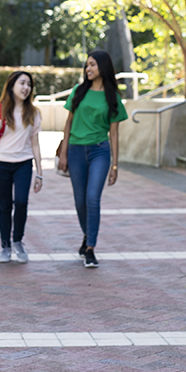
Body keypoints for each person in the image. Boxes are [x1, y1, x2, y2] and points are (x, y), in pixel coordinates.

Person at [56, 50, 128, 269]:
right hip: (76, 151)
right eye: (87, 65)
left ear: (103, 67)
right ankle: (88, 235)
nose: (88, 69)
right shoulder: (78, 91)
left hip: (100, 152)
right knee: (80, 201)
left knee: (92, 198)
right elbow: (68, 123)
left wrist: (115, 165)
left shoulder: (112, 97)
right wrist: (64, 152)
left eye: (93, 65)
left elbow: (114, 134)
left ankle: (90, 249)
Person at [0, 71, 43, 263]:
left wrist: (39, 173)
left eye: (29, 85)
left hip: (24, 163)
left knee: (22, 202)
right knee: (5, 205)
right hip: (0, 163)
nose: (26, 88)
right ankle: (5, 245)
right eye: (22, 83)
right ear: (11, 86)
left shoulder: (33, 112)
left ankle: (18, 241)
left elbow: (35, 143)